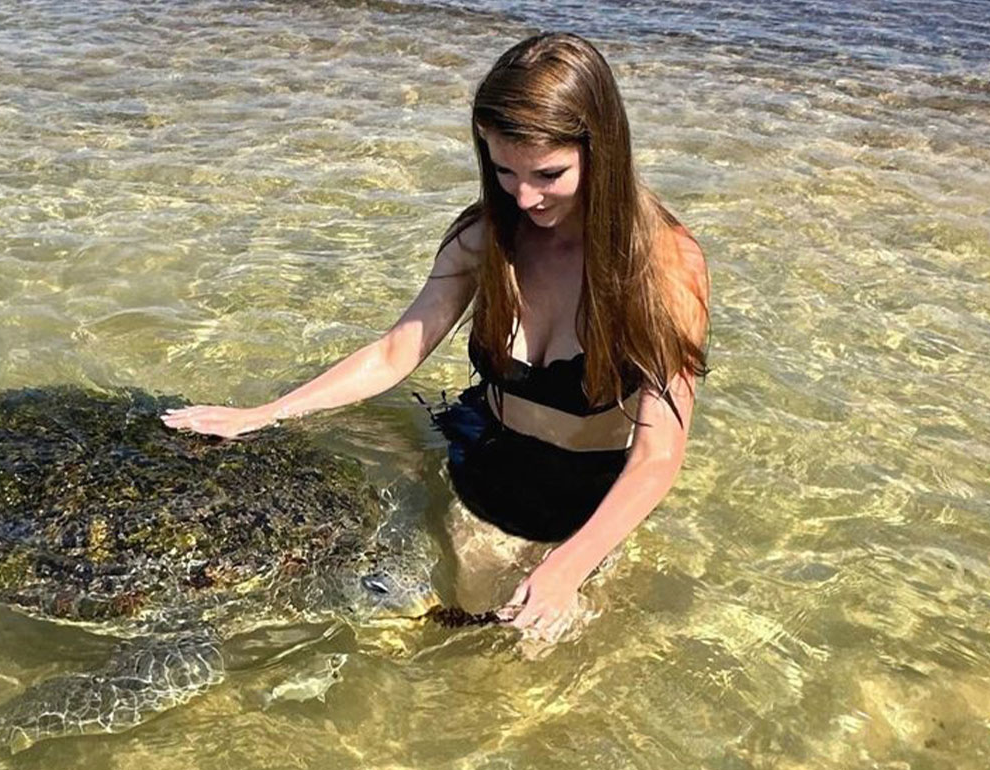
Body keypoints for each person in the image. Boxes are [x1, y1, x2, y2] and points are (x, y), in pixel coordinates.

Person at [163, 32, 710, 643]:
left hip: (590, 503)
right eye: (504, 170)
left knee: (532, 684)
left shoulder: (661, 267)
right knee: (433, 649)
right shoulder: (486, 238)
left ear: (600, 151)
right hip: (484, 471)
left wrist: (569, 566)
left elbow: (658, 455)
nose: (524, 197)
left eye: (548, 174)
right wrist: (267, 413)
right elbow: (398, 350)